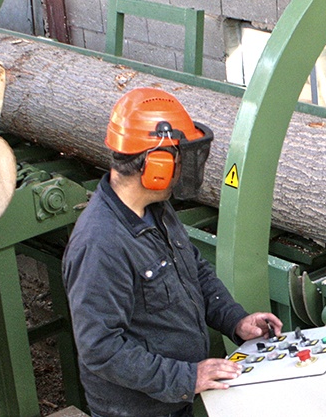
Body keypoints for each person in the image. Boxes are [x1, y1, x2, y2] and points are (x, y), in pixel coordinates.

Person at [63, 87, 282, 417]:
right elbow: (101, 348)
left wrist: (236, 320)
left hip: (172, 400)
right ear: (157, 165)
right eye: (179, 159)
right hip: (138, 410)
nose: (183, 169)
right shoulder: (100, 244)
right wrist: (187, 377)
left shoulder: (155, 209)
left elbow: (193, 269)